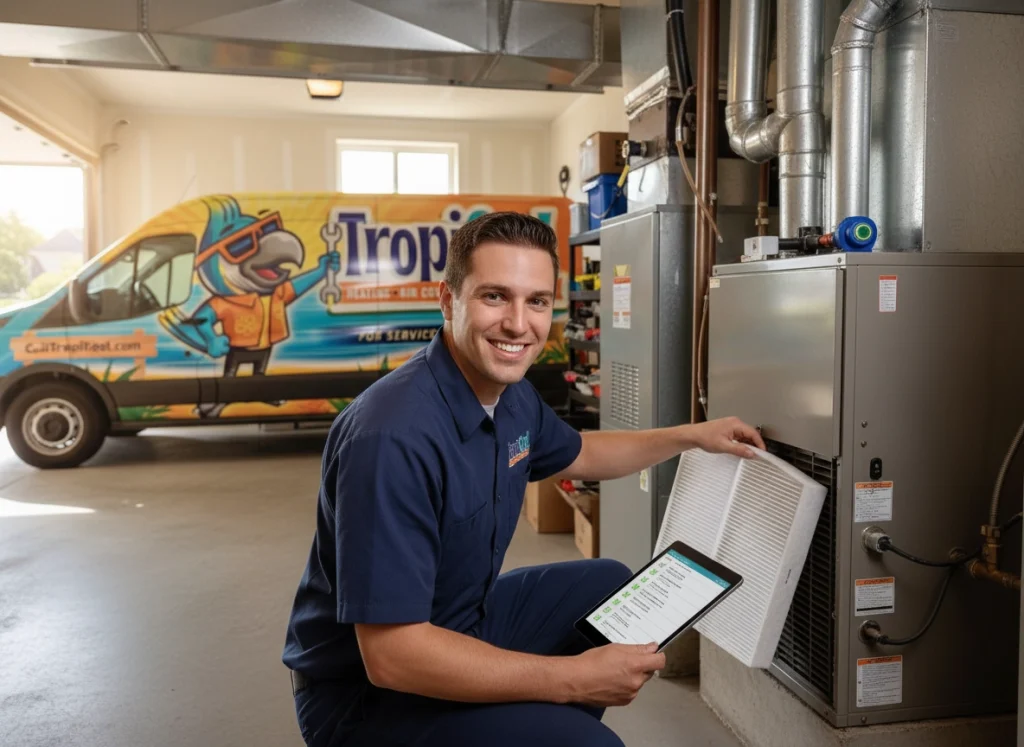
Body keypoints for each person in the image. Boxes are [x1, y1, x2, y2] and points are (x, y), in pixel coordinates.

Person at [282, 212, 765, 747]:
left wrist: (691, 435)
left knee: (604, 585)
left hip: (459, 623)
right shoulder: (391, 438)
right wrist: (571, 680)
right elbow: (392, 657)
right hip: (365, 699)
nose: (518, 324)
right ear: (448, 301)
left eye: (536, 301)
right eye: (495, 297)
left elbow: (581, 452)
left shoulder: (512, 398)